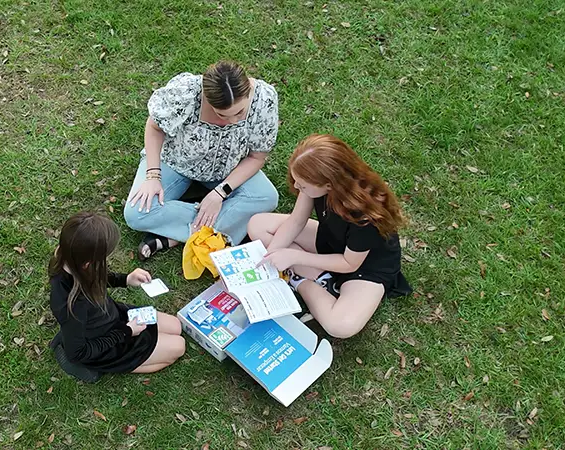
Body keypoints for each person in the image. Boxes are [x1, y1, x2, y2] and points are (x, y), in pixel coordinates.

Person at [248, 134, 412, 339]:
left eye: (303, 185)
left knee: (340, 326)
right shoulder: (317, 183)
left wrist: (294, 257)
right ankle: (316, 275)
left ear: (329, 184)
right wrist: (271, 255)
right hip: (330, 240)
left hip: (364, 267)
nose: (297, 187)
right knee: (258, 224)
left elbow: (349, 263)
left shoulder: (365, 214)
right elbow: (296, 221)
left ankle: (302, 280)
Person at [124, 60, 279, 260]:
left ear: (249, 90)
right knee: (137, 213)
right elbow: (155, 127)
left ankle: (175, 237)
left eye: (239, 113)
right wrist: (153, 175)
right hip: (176, 162)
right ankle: (215, 230)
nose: (232, 121)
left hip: (228, 169)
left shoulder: (263, 99)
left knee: (267, 197)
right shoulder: (186, 93)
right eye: (222, 114)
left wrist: (220, 193)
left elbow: (257, 157)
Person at [48, 211, 186, 382]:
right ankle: (99, 367)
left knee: (176, 326)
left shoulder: (66, 257)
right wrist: (127, 331)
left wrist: (126, 279)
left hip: (113, 316)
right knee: (178, 347)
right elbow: (77, 352)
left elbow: (95, 276)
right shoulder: (74, 306)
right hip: (108, 343)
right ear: (87, 264)